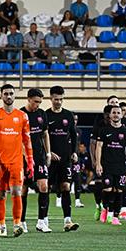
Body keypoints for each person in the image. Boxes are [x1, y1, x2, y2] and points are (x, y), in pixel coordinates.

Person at [0, 84, 33, 237]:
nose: (8, 96)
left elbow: (27, 141)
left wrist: (30, 162)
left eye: (11, 93)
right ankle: (2, 226)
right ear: (1, 96)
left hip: (16, 162)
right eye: (5, 94)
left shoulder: (22, 116)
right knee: (0, 194)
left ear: (15, 95)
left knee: (16, 191)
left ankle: (17, 224)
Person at [44, 87, 80, 232]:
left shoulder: (68, 115)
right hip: (50, 160)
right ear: (51, 99)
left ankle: (67, 221)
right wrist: (49, 152)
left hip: (65, 159)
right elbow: (42, 137)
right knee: (45, 189)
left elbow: (73, 136)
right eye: (56, 99)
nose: (58, 102)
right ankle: (43, 220)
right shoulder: (45, 115)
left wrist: (74, 152)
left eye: (61, 99)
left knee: (65, 187)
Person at [94, 104, 126, 226]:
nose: (116, 115)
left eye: (118, 112)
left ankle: (115, 216)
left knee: (119, 190)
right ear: (110, 115)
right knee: (108, 189)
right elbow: (99, 147)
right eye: (114, 112)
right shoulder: (104, 130)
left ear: (122, 115)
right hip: (107, 165)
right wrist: (98, 164)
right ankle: (105, 208)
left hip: (121, 165)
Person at [19, 88, 52, 233]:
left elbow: (45, 134)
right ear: (28, 99)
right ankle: (22, 221)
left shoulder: (42, 114)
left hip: (39, 156)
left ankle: (41, 221)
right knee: (23, 189)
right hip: (23, 157)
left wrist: (48, 152)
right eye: (35, 102)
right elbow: (17, 137)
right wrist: (25, 154)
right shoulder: (20, 114)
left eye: (39, 102)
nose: (37, 105)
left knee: (44, 186)